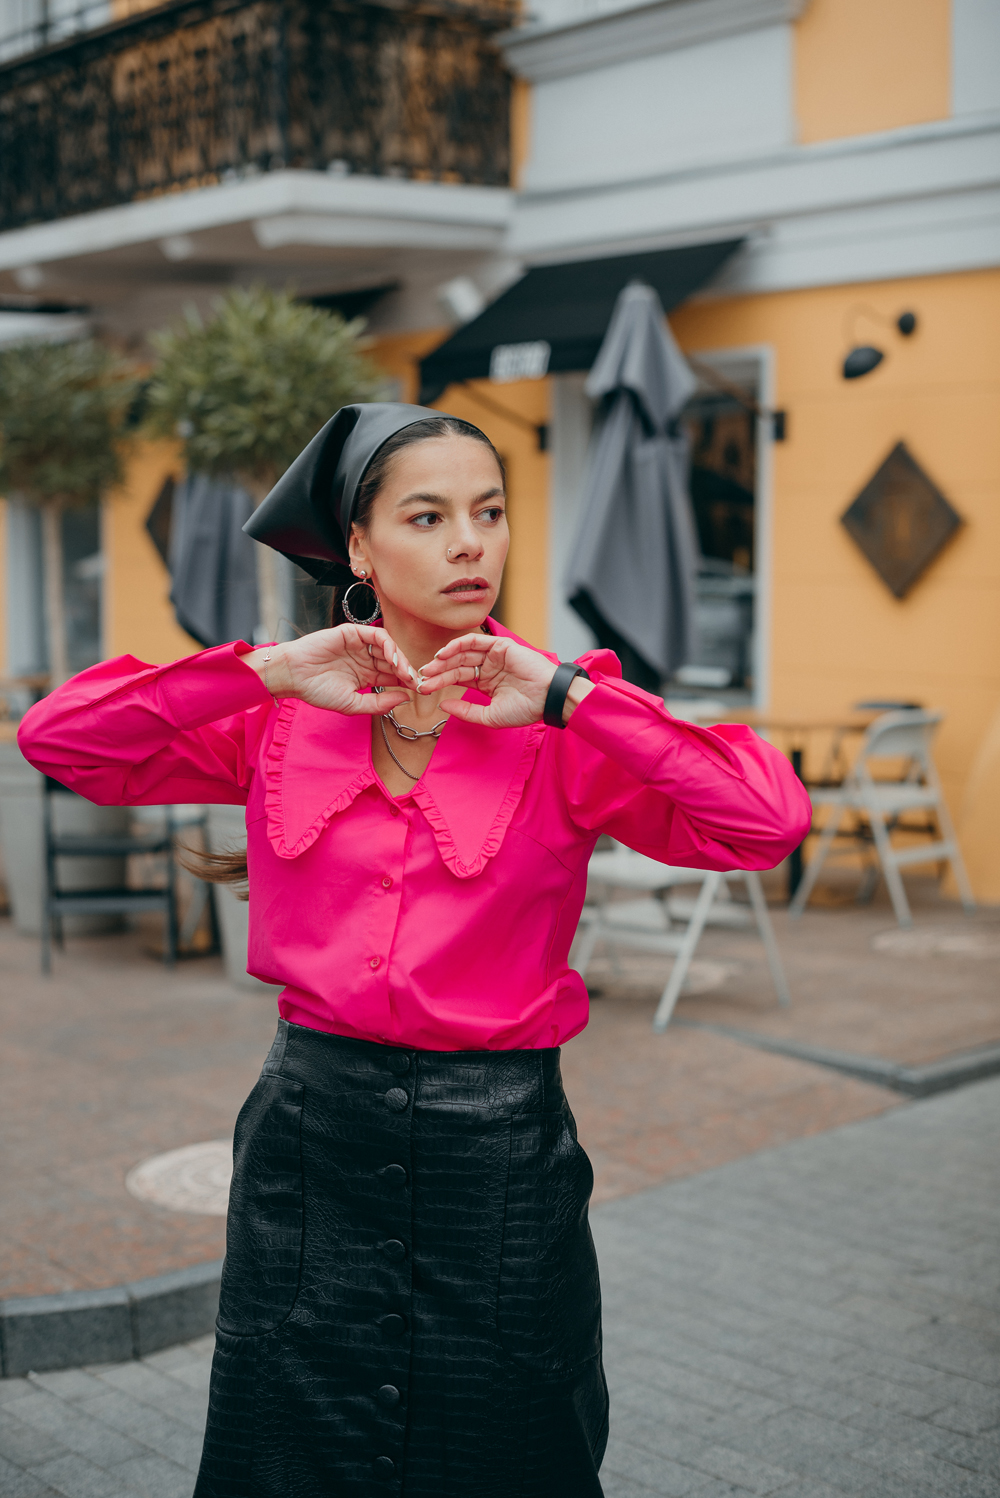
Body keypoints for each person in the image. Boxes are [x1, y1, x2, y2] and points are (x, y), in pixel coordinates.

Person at [18, 403, 811, 1497]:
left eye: (487, 511)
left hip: (498, 1162)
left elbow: (764, 822)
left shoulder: (558, 720)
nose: (469, 542)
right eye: (428, 515)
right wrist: (267, 670)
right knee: (290, 1447)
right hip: (311, 1144)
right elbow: (59, 737)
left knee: (505, 1446)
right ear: (357, 546)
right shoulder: (283, 712)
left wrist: (575, 700)